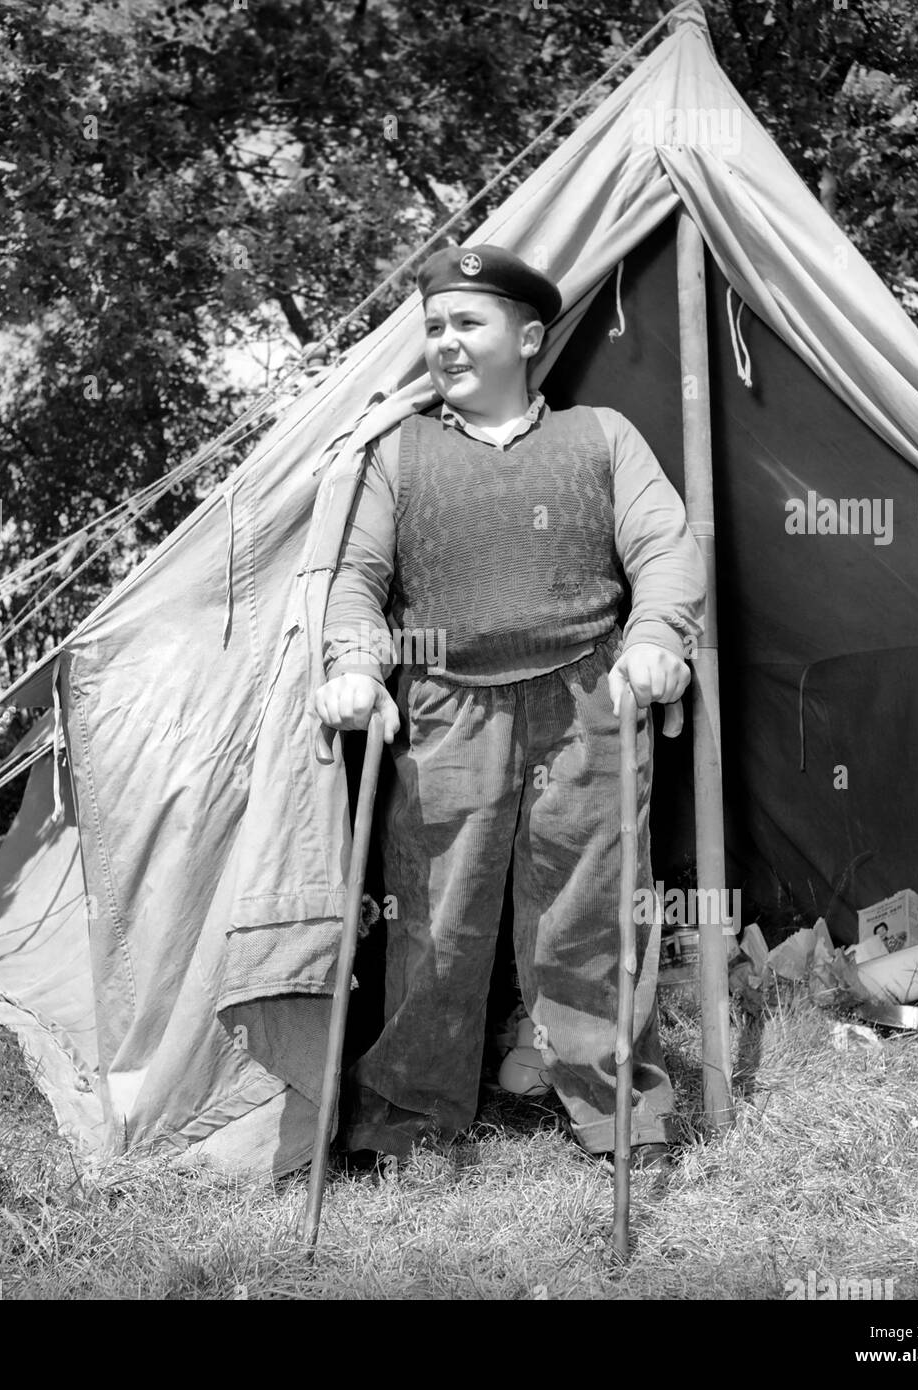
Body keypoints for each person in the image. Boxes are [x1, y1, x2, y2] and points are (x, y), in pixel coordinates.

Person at [312, 245, 706, 1168]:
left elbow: (663, 547)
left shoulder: (601, 436)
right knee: (436, 919)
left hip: (587, 698)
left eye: (466, 323)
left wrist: (656, 640)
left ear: (527, 337)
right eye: (434, 326)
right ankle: (409, 1118)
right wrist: (353, 664)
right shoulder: (395, 453)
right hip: (447, 710)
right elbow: (354, 579)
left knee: (589, 916)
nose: (444, 342)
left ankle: (616, 1116)